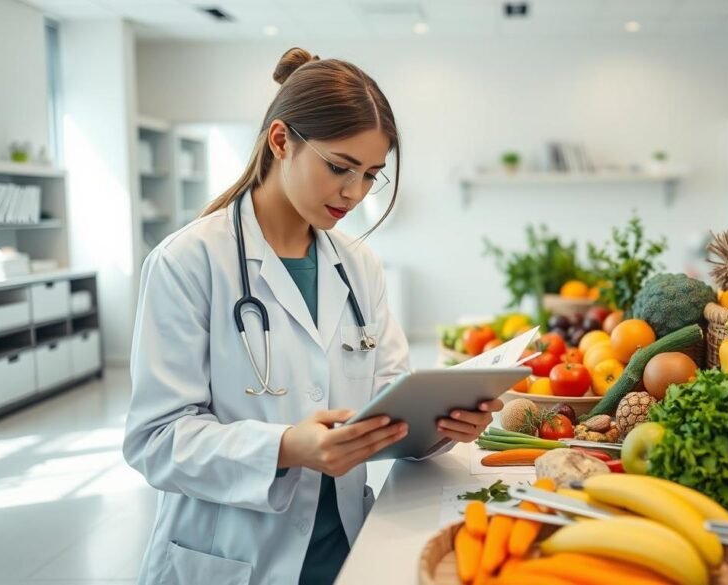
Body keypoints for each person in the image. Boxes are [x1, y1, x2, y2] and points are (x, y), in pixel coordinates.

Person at [123, 47, 503, 584]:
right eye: (340, 167)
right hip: (231, 559)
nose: (355, 193)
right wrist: (285, 448)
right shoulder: (188, 262)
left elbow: (389, 397)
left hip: (345, 550)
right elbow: (155, 441)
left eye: (372, 174)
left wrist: (442, 426)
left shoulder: (358, 265)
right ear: (281, 141)